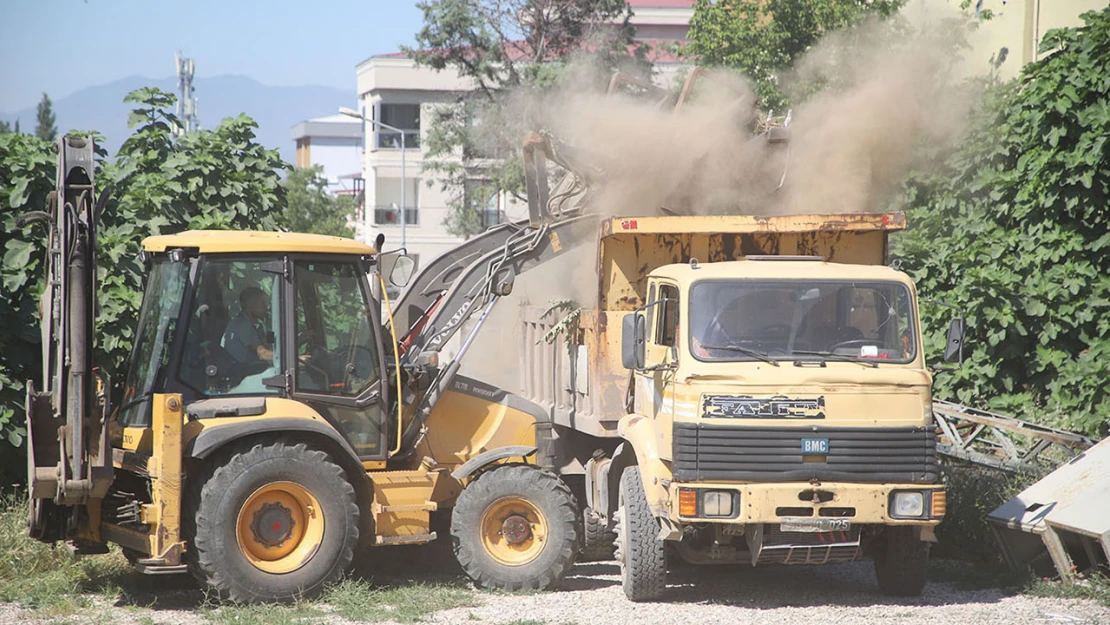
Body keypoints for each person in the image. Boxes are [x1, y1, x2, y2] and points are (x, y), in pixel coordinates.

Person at [222, 286, 273, 363]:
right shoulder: (242, 325)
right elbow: (263, 354)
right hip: (243, 371)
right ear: (250, 305)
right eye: (262, 302)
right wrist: (294, 359)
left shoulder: (251, 324)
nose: (266, 306)